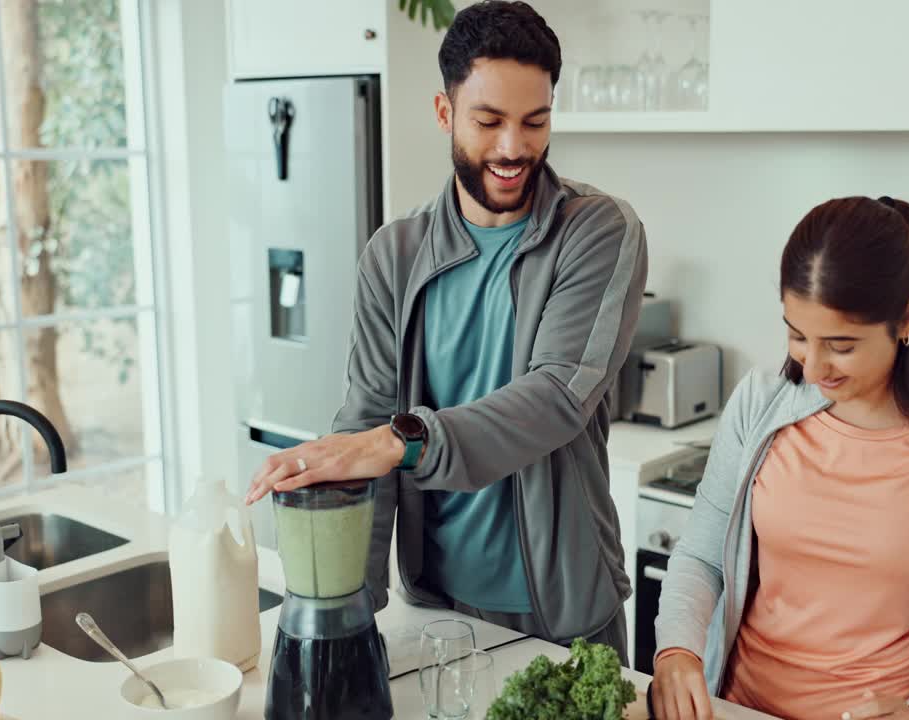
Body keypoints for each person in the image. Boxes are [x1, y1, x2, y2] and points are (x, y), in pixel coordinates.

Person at [244, 0, 647, 664]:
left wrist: (399, 443)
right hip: (437, 614)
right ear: (444, 113)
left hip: (566, 616)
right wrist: (347, 613)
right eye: (488, 121)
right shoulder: (394, 255)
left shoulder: (599, 231)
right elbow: (366, 421)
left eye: (535, 121)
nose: (514, 148)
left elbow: (555, 399)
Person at [649, 196, 909, 720]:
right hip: (741, 708)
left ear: (907, 317)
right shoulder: (759, 401)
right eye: (797, 335)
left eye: (841, 345)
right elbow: (701, 556)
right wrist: (677, 650)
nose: (813, 368)